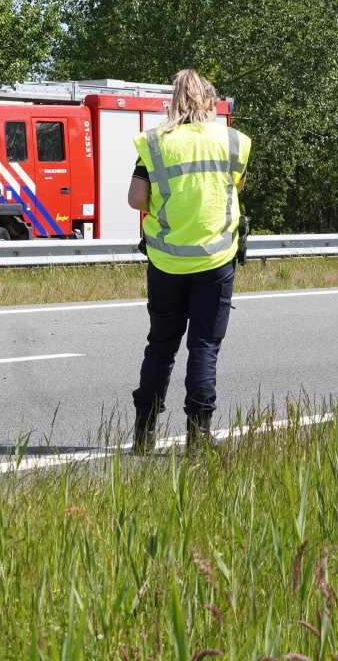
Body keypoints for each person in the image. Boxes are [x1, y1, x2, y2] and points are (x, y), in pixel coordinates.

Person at [127, 69, 252, 454]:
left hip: (166, 262)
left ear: (174, 99)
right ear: (210, 100)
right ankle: (198, 436)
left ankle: (144, 434)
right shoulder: (233, 142)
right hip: (216, 260)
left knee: (161, 346)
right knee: (204, 347)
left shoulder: (155, 144)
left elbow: (135, 199)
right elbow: (234, 189)